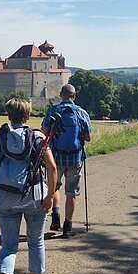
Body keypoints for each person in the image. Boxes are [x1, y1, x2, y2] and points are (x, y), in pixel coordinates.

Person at [0, 98, 57, 274]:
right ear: (27, 116)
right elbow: (52, 167)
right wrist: (50, 196)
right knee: (36, 242)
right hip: (34, 197)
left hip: (5, 197)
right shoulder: (38, 137)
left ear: (8, 115)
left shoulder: (0, 137)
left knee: (8, 245)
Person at [41, 83, 92, 237]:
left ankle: (55, 215)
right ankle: (67, 226)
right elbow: (88, 137)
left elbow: (44, 133)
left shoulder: (53, 111)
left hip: (55, 157)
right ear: (74, 96)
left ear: (60, 95)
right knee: (71, 193)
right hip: (75, 158)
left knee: (54, 186)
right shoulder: (81, 113)